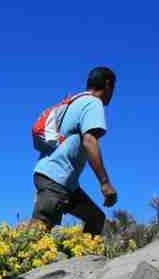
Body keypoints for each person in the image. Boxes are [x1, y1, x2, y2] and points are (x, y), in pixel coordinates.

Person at [31, 66, 119, 235]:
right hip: (56, 178)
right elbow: (89, 140)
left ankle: (82, 252)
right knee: (39, 229)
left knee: (95, 218)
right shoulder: (93, 103)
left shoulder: (76, 101)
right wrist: (105, 183)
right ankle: (14, 250)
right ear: (108, 85)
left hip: (62, 181)